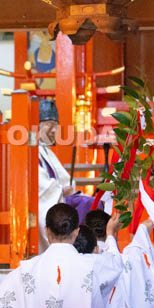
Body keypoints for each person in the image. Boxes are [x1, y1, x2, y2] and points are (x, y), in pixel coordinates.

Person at [38, 99, 92, 251]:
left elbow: (64, 179)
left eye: (55, 126)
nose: (53, 130)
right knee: (85, 204)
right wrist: (60, 190)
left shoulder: (45, 150)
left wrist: (68, 188)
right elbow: (40, 184)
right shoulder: (31, 149)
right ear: (38, 125)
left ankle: (84, 247)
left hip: (57, 198)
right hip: (42, 204)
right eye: (49, 124)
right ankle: (77, 247)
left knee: (90, 202)